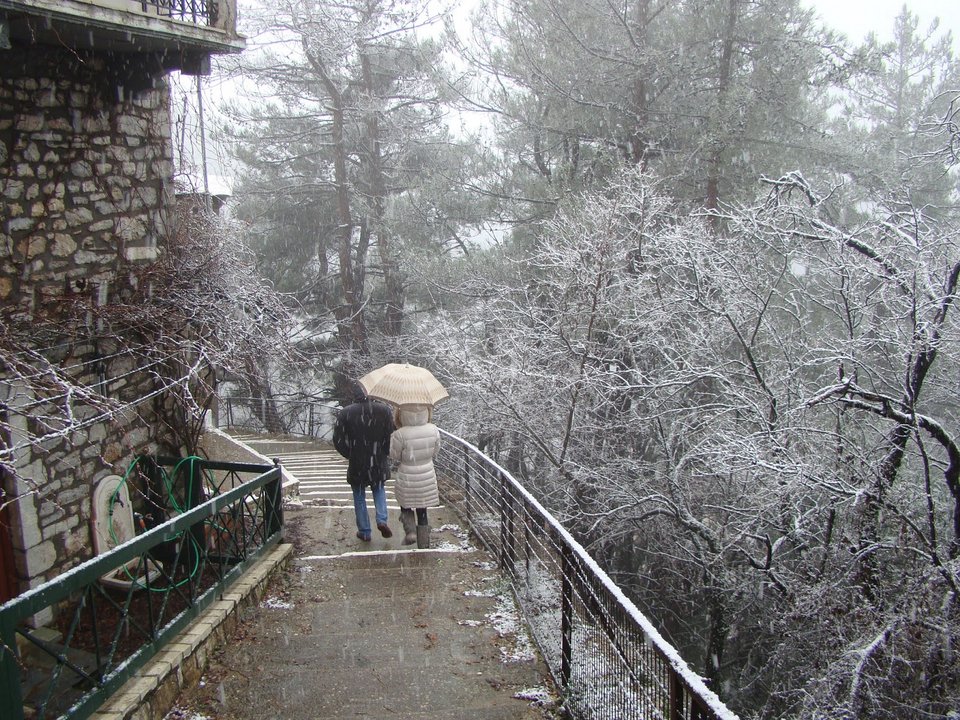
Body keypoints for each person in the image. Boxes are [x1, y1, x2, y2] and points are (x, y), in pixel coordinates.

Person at [332, 384, 395, 542]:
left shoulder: (346, 413)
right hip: (377, 459)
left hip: (357, 461)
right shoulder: (384, 410)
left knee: (359, 494)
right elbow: (391, 435)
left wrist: (349, 453)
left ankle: (365, 531)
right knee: (379, 489)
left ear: (355, 395)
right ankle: (381, 520)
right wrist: (384, 451)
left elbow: (338, 439)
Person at [389, 404, 440, 549]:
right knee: (422, 507)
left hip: (407, 475)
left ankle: (410, 532)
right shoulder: (433, 429)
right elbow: (436, 450)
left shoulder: (400, 434)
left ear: (401, 414)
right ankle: (424, 542)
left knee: (405, 504)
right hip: (427, 474)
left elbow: (394, 455)